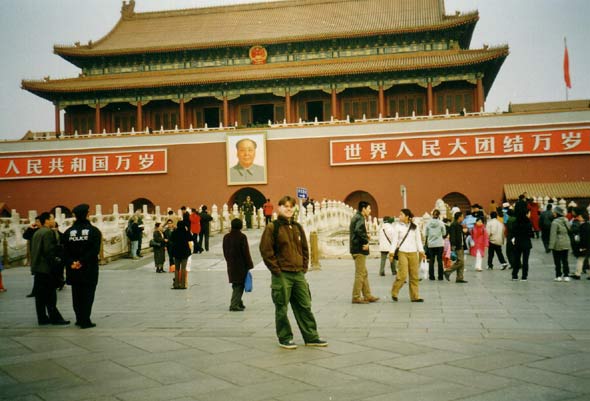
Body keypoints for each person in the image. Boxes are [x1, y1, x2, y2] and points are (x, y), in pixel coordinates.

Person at [259, 195, 327, 349]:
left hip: (298, 274)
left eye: (291, 206)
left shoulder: (297, 227)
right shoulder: (273, 227)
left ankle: (311, 336)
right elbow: (266, 250)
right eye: (285, 206)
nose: (288, 209)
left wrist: (304, 267)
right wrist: (276, 270)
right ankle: (285, 337)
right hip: (282, 274)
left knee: (305, 305)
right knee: (282, 307)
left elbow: (304, 248)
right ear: (279, 208)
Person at [63, 204, 102, 329]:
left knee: (76, 294)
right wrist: (82, 261)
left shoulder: (68, 232)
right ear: (87, 214)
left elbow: (64, 251)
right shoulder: (94, 231)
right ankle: (85, 319)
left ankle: (79, 318)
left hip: (73, 269)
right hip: (89, 268)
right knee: (88, 294)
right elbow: (94, 250)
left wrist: (72, 262)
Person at [31, 212, 69, 326]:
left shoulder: (37, 232)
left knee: (40, 296)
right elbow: (48, 251)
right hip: (47, 268)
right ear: (47, 220)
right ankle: (55, 318)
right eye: (52, 218)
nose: (53, 221)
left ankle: (42, 318)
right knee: (50, 295)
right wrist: (57, 261)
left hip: (38, 267)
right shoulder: (48, 232)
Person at [389, 209, 426, 302]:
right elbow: (394, 241)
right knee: (403, 274)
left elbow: (418, 240)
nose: (399, 216)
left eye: (401, 215)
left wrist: (421, 251)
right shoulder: (397, 227)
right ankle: (394, 291)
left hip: (414, 253)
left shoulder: (415, 226)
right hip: (402, 252)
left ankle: (415, 296)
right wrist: (391, 253)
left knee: (414, 276)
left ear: (407, 216)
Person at [349, 201, 379, 304]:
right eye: (369, 208)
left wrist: (366, 235)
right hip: (359, 249)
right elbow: (358, 231)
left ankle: (367, 295)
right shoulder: (360, 218)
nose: (370, 211)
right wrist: (366, 241)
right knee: (360, 274)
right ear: (363, 209)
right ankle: (356, 296)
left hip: (356, 248)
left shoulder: (357, 217)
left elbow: (358, 231)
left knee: (364, 273)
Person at [223, 218, 254, 311]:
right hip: (241, 264)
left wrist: (228, 260)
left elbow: (225, 251)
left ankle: (239, 302)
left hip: (231, 264)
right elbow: (246, 252)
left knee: (236, 283)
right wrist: (249, 264)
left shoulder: (226, 237)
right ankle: (234, 305)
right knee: (239, 284)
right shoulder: (242, 237)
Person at [510, 208, 534, 281]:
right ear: (525, 214)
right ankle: (524, 276)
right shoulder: (528, 222)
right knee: (525, 261)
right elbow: (531, 234)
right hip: (526, 244)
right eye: (528, 213)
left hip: (517, 243)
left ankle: (515, 275)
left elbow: (512, 232)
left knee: (517, 259)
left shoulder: (515, 222)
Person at [549, 206, 572, 282]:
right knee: (565, 260)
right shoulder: (566, 220)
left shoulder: (554, 222)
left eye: (554, 212)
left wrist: (551, 246)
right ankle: (566, 275)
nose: (553, 213)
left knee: (557, 260)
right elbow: (570, 230)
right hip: (566, 241)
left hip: (557, 243)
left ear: (556, 213)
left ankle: (558, 275)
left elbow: (553, 235)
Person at [444, 212, 468, 283]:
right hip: (457, 246)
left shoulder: (459, 225)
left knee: (461, 262)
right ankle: (448, 271)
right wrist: (453, 246)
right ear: (459, 217)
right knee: (460, 261)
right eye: (462, 216)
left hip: (461, 245)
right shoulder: (454, 225)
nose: (463, 218)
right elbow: (453, 236)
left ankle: (459, 278)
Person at [425, 209, 446, 280]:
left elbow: (426, 233)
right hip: (439, 244)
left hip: (431, 244)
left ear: (432, 215)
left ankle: (431, 276)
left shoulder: (428, 223)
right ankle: (440, 276)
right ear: (439, 215)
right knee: (440, 260)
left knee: (431, 260)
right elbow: (444, 233)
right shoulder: (441, 223)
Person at [170, 220, 192, 289]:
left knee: (176, 269)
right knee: (183, 268)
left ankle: (176, 284)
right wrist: (188, 230)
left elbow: (171, 239)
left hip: (176, 252)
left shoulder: (175, 232)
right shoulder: (185, 232)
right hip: (184, 252)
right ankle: (183, 285)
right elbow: (191, 238)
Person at [22, 217, 41, 297]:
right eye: (36, 221)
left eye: (38, 221)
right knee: (36, 274)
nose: (36, 223)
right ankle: (35, 291)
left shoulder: (45, 231)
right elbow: (25, 236)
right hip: (34, 255)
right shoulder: (34, 231)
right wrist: (30, 228)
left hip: (41, 255)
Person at [571, 209, 590, 279]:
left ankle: (577, 274)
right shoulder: (587, 225)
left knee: (580, 259)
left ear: (583, 218)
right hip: (588, 245)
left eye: (580, 216)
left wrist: (582, 246)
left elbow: (583, 238)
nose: (578, 217)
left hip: (585, 245)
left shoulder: (583, 226)